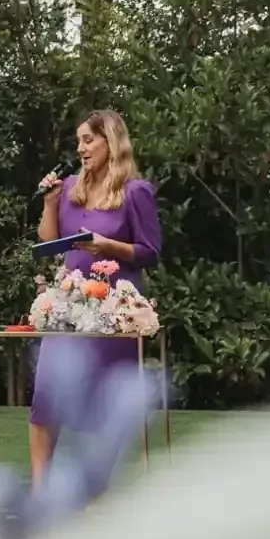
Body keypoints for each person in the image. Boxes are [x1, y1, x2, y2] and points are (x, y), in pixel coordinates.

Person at [29, 110, 162, 486]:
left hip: (112, 310)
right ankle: (39, 494)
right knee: (46, 398)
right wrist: (51, 202)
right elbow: (47, 240)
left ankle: (96, 494)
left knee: (101, 406)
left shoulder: (136, 191)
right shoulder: (71, 187)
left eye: (88, 140)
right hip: (69, 306)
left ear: (111, 141)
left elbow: (150, 251)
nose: (81, 148)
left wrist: (107, 246)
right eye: (78, 142)